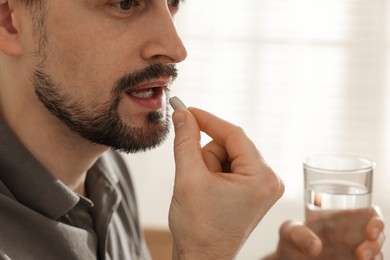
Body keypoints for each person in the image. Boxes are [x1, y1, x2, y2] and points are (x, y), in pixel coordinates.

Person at [0, 0, 384, 259]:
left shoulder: (106, 164)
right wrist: (204, 251)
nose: (175, 47)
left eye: (173, 2)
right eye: (124, 2)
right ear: (9, 21)